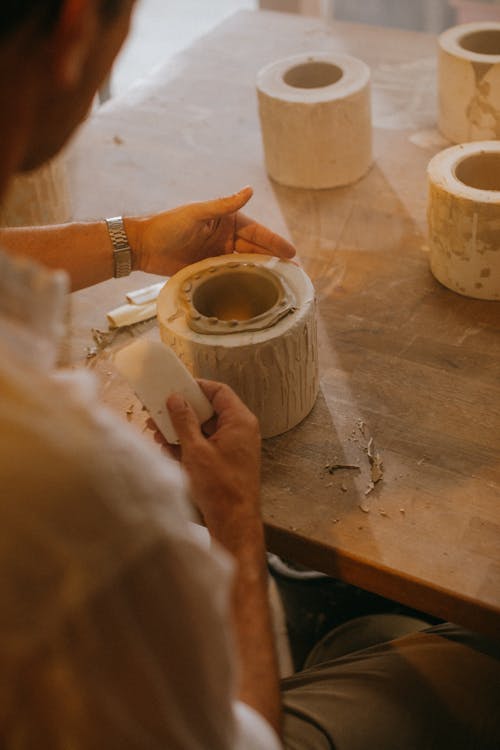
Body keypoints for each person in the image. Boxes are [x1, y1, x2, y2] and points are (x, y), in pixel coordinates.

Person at [0, 2, 498, 749]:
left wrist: (133, 240)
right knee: (480, 662)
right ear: (74, 32)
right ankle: (347, 639)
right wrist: (235, 519)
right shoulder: (83, 493)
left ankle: (338, 632)